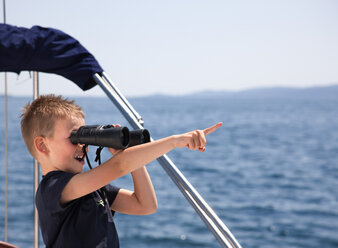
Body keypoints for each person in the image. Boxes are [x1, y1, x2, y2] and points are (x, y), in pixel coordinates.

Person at [20, 94, 222, 248]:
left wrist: (129, 154)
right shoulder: (52, 189)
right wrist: (174, 141)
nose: (82, 145)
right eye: (74, 137)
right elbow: (120, 166)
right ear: (43, 146)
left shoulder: (93, 189)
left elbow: (145, 205)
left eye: (84, 136)